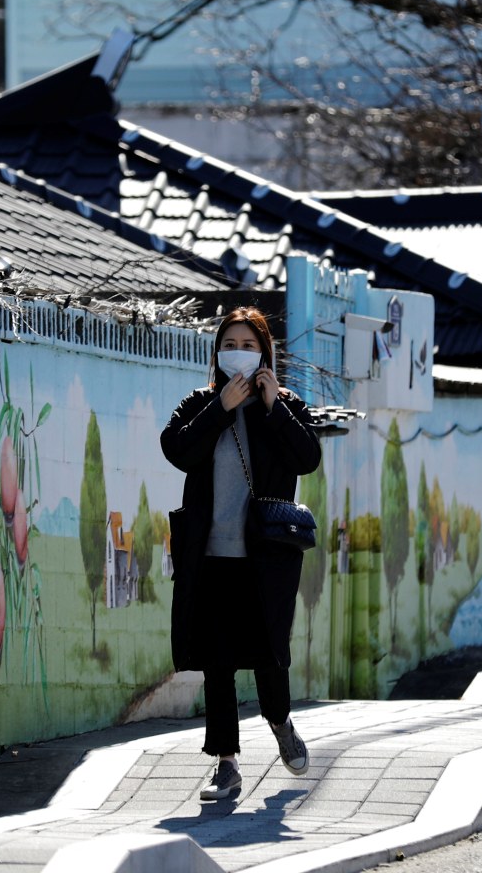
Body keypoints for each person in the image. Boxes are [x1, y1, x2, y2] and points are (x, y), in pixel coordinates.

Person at [161, 306, 321, 801]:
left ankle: (280, 722)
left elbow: (308, 457)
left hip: (265, 554)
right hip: (210, 555)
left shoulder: (285, 403)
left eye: (250, 346)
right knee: (218, 661)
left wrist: (274, 408)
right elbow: (176, 449)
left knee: (271, 651)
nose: (240, 352)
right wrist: (221, 408)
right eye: (231, 344)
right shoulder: (200, 402)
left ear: (264, 353)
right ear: (217, 352)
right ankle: (226, 765)